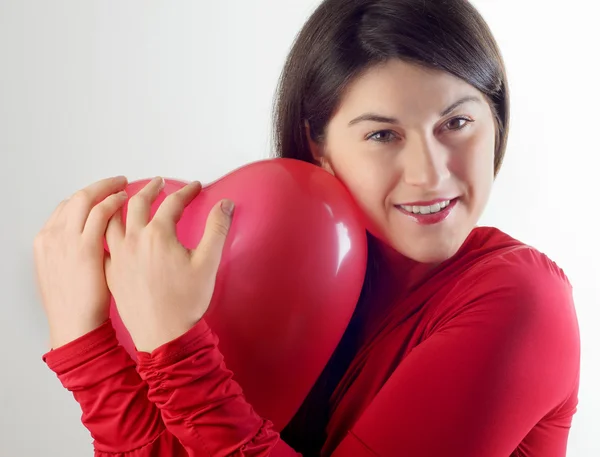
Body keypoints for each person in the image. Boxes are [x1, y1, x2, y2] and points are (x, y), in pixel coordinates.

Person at [34, 0, 580, 456]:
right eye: (383, 135)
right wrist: (85, 346)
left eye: (456, 123)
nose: (430, 174)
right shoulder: (288, 273)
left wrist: (174, 350)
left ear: (497, 120)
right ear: (318, 145)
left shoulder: (524, 300)